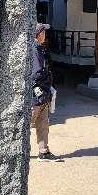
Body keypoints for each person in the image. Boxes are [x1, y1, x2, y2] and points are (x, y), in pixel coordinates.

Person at [31, 22, 59, 161]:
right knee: (29, 122)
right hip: (36, 93)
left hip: (43, 94)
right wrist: (47, 78)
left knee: (43, 124)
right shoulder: (34, 50)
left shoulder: (39, 49)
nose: (45, 35)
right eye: (43, 32)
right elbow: (35, 74)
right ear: (39, 34)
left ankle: (44, 151)